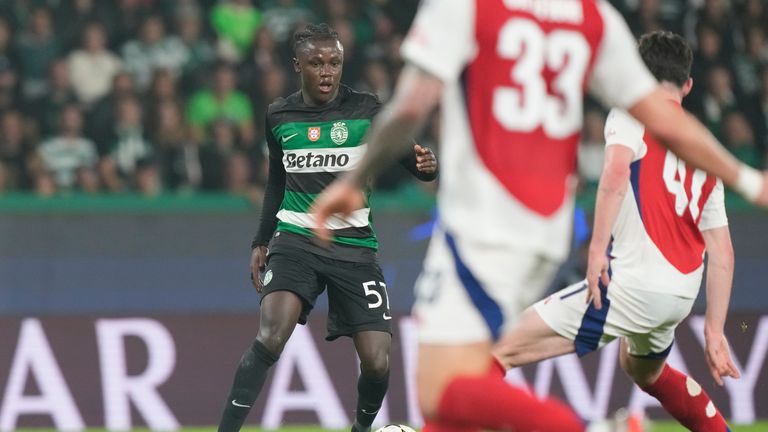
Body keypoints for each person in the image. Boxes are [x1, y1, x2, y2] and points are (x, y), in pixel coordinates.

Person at [310, 2, 768, 431]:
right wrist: (750, 181)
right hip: (552, 231)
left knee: (446, 382)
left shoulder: (469, 7)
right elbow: (669, 123)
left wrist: (354, 179)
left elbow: (411, 105)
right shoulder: (594, 16)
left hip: (485, 221)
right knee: (627, 368)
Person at [495, 30, 739, 432]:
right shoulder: (705, 144)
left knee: (499, 349)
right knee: (642, 369)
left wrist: (596, 252)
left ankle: (602, 429)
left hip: (632, 285)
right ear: (689, 85)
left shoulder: (632, 113)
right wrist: (714, 329)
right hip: (679, 296)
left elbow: (614, 174)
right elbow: (723, 253)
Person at [216, 23, 438, 432]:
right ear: (297, 64)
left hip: (355, 247)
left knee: (377, 360)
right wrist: (260, 239)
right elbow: (277, 182)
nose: (326, 71)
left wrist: (426, 166)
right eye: (316, 63)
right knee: (270, 334)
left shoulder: (367, 109)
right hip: (295, 239)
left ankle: (361, 429)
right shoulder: (279, 115)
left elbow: (413, 160)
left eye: (334, 62)